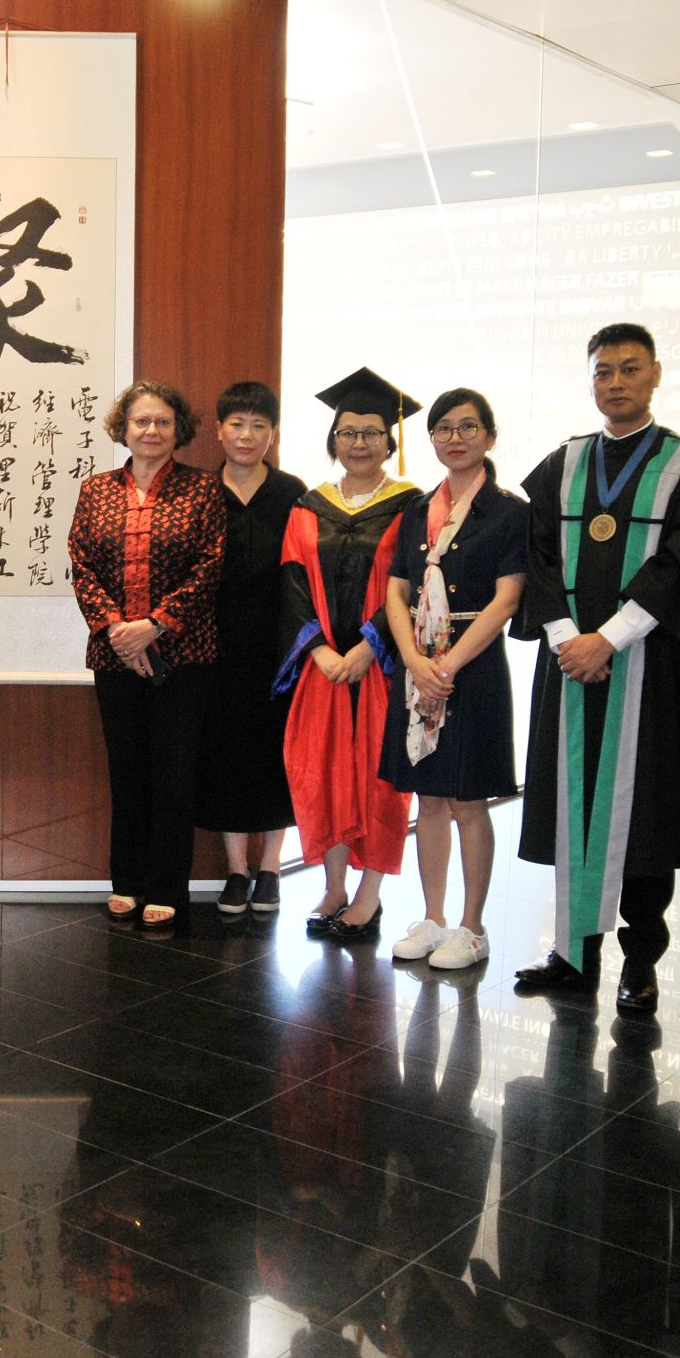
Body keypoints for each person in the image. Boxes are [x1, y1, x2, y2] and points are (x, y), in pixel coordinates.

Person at [513, 323, 680, 1013]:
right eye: (603, 372)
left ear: (656, 374)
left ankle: (640, 962)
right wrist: (568, 639)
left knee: (645, 813)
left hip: (649, 669)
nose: (616, 383)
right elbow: (539, 559)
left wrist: (608, 638)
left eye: (630, 369)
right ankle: (573, 953)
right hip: (570, 666)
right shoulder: (562, 464)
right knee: (572, 804)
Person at [67, 378, 226, 929]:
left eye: (162, 421)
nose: (151, 430)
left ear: (178, 429)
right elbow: (81, 564)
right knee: (127, 772)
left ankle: (166, 887)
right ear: (124, 428)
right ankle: (127, 883)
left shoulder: (202, 490)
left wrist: (154, 626)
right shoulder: (96, 490)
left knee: (174, 776)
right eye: (141, 421)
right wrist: (118, 630)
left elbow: (209, 565)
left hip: (183, 656)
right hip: (114, 657)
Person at [380, 389, 527, 971]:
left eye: (468, 427)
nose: (455, 438)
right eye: (443, 428)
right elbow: (396, 591)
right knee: (430, 798)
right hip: (419, 666)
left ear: (490, 436)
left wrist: (447, 666)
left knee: (469, 800)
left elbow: (507, 598)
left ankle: (472, 927)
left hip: (473, 666)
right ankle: (433, 918)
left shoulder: (509, 512)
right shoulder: (417, 509)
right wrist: (415, 662)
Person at [276, 367, 421, 942]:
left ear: (389, 440)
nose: (359, 443)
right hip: (324, 669)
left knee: (379, 781)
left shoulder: (412, 505)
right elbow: (291, 582)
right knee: (321, 774)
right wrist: (318, 650)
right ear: (333, 440)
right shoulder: (309, 505)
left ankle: (369, 895)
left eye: (371, 433)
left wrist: (368, 647)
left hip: (380, 666)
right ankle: (334, 886)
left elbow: (411, 584)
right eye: (348, 433)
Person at [195, 381, 307, 916]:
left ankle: (271, 868)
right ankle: (237, 870)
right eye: (237, 424)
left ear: (273, 434)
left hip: (278, 645)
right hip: (213, 644)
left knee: (275, 753)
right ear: (219, 431)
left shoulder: (293, 493)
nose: (247, 435)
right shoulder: (198, 492)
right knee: (225, 754)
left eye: (258, 425)